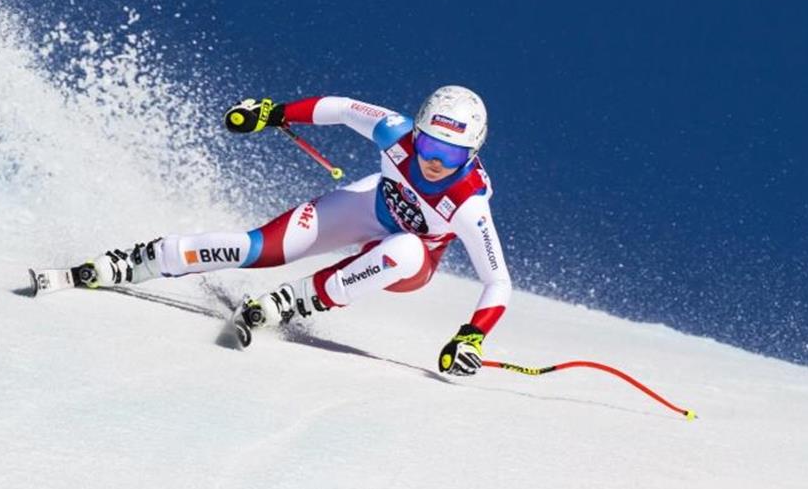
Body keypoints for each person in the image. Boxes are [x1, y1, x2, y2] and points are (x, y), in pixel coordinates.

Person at [75, 85, 512, 377]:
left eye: (452, 155)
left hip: (410, 261)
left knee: (404, 250)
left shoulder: (469, 204)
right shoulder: (394, 132)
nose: (435, 161)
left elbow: (497, 280)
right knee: (259, 247)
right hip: (368, 209)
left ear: (472, 155)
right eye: (430, 145)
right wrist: (274, 113)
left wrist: (470, 336)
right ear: (416, 132)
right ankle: (142, 261)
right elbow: (342, 109)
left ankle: (291, 302)